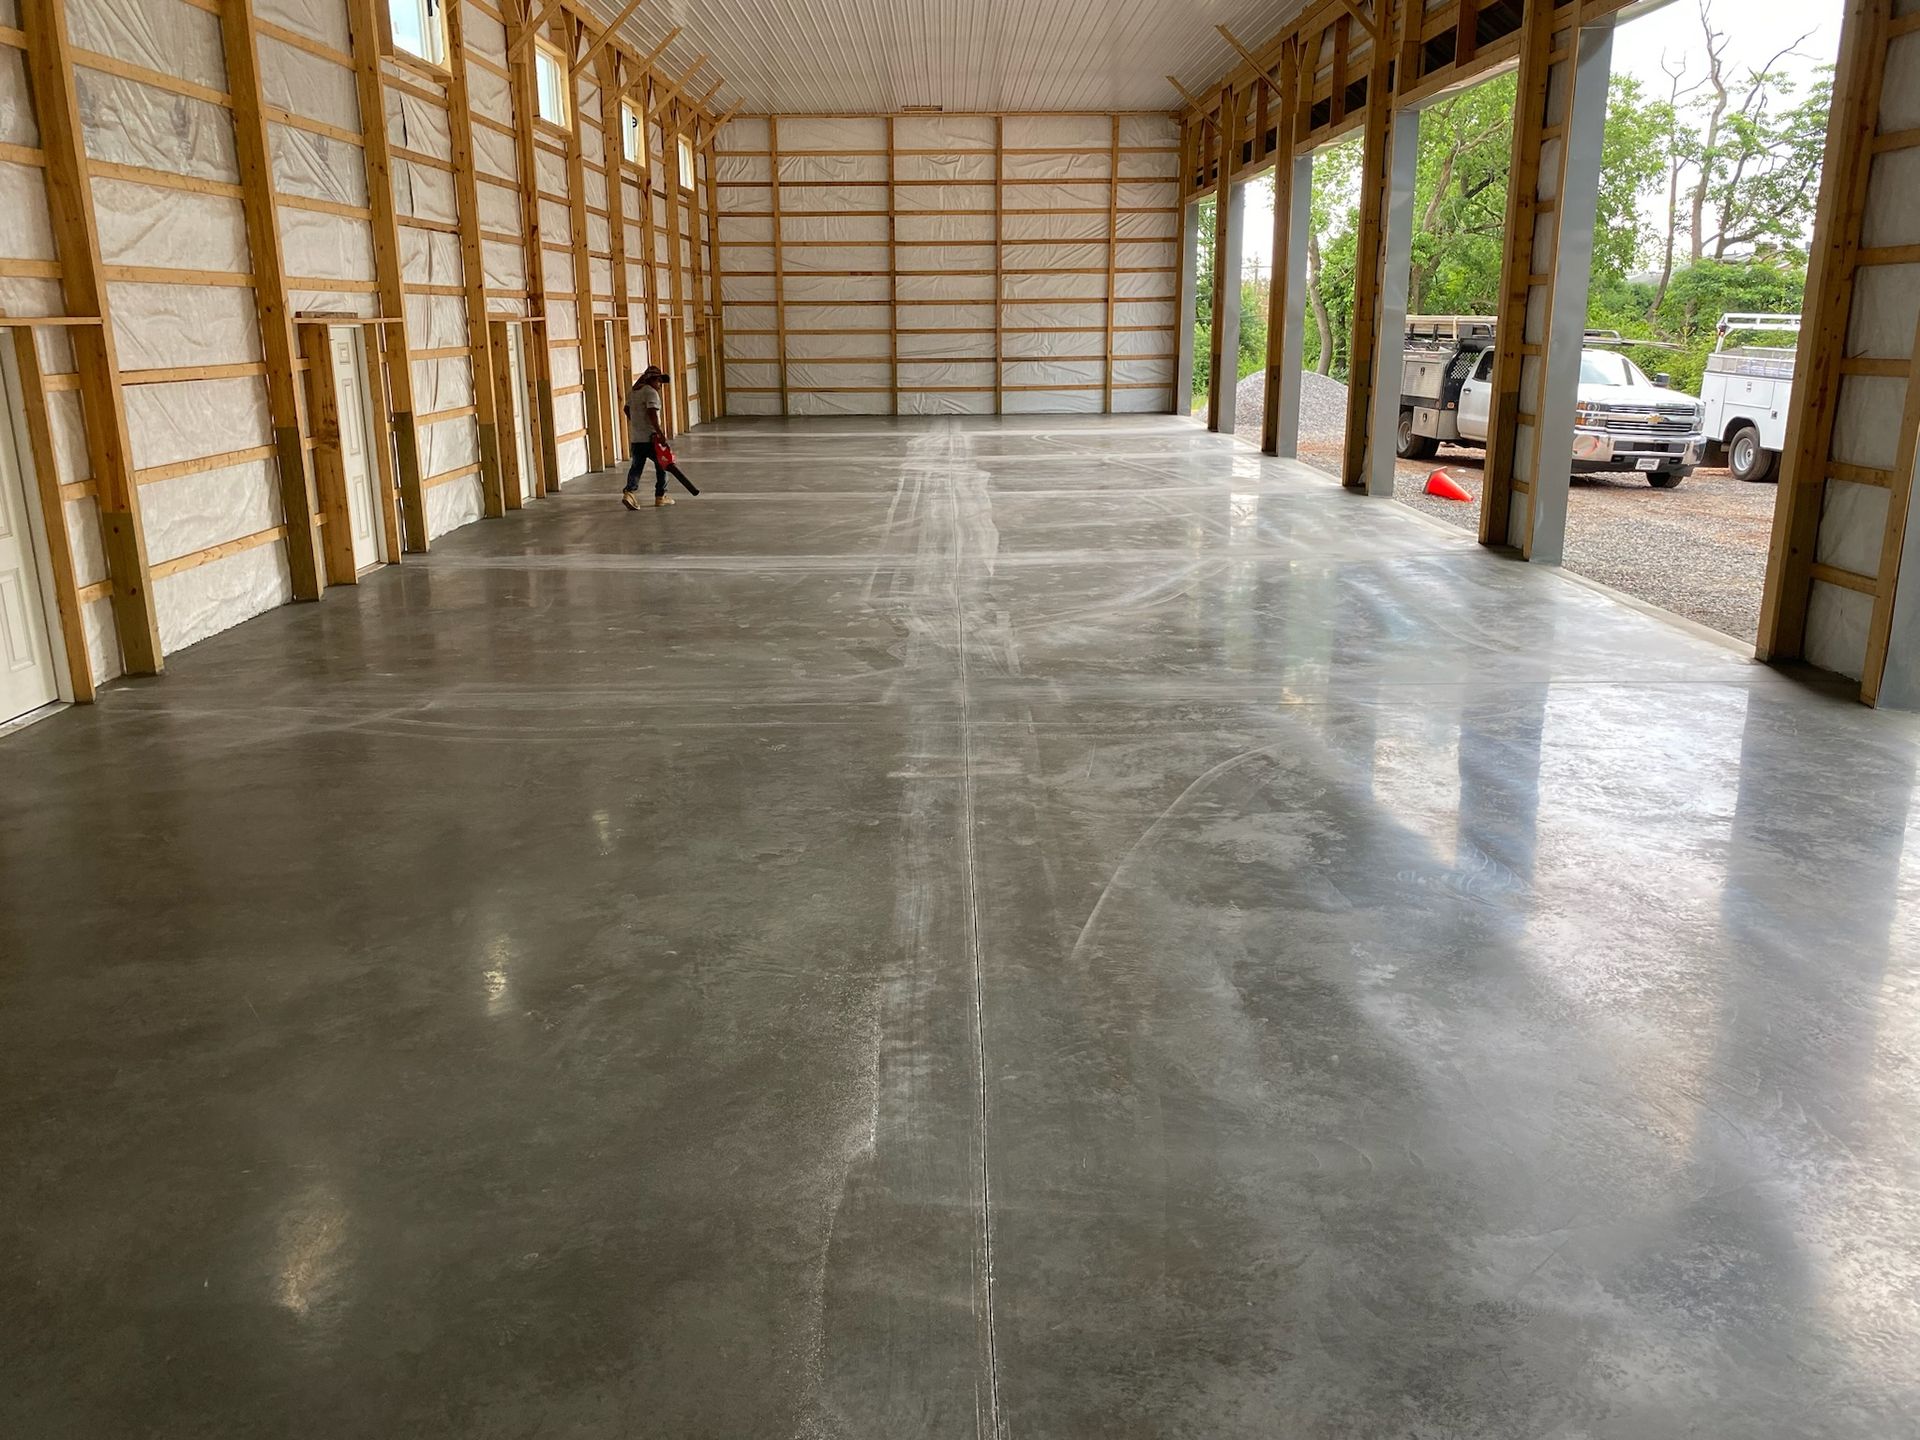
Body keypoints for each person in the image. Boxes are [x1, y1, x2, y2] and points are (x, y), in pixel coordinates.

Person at [620, 366, 698, 509]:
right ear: (652, 380)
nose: (660, 385)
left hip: (637, 438)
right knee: (663, 466)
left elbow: (626, 409)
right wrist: (660, 433)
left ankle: (629, 493)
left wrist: (637, 423)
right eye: (659, 381)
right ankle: (660, 496)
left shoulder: (634, 392)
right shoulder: (651, 393)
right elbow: (652, 414)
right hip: (652, 439)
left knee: (636, 467)